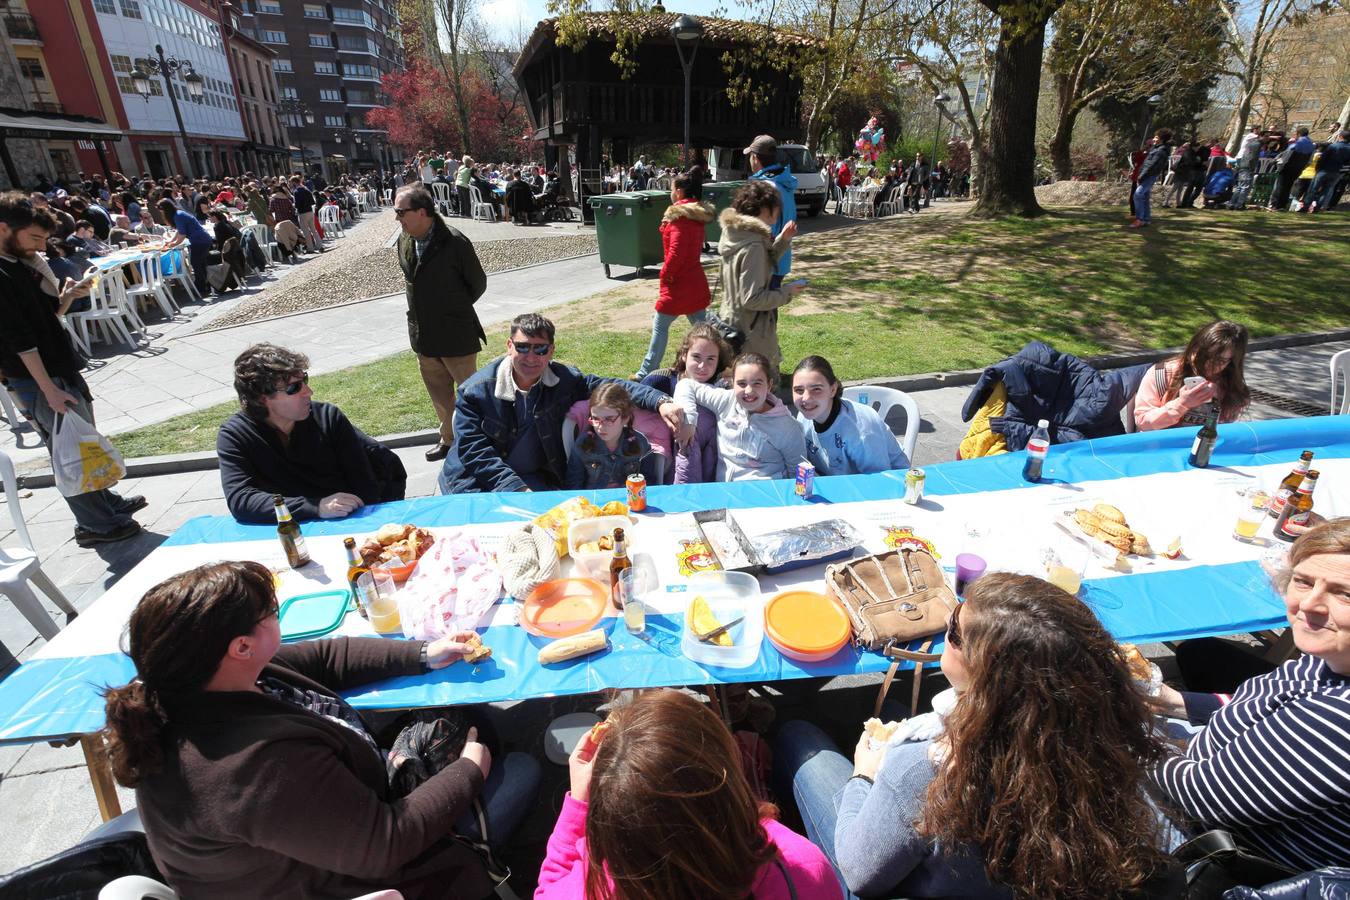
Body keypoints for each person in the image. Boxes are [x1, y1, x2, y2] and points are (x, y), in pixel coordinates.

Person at [103, 560, 540, 900]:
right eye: (270, 612)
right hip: (353, 879)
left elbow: (326, 658)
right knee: (519, 768)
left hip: (336, 822)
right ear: (240, 646)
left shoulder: (207, 682)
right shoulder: (253, 767)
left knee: (466, 716)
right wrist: (468, 771)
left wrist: (424, 653)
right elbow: (385, 842)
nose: (277, 617)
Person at [776, 573, 1181, 899]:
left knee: (799, 736)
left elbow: (861, 875)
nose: (947, 628)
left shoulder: (926, 766)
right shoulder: (1106, 736)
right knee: (899, 713)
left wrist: (864, 776)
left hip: (894, 878)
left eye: (953, 631)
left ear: (988, 676)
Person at [1148, 518, 1350, 871]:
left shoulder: (1339, 719)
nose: (1309, 605)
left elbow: (1201, 796)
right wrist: (1175, 702)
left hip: (1218, 848)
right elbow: (1258, 706)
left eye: (1344, 593)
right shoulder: (1332, 659)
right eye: (1303, 582)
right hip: (1204, 770)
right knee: (1200, 652)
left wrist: (1117, 729)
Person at [536, 688, 844, 900]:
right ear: (730, 783)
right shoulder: (801, 869)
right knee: (796, 734)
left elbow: (548, 890)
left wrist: (578, 802)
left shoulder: (592, 887)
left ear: (609, 830)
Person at [0, 193, 147, 546]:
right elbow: (20, 341)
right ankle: (95, 525)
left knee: (81, 441)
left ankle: (104, 503)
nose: (39, 246)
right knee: (67, 450)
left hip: (57, 367)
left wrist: (69, 295)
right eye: (34, 238)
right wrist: (48, 389)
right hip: (38, 379)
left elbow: (47, 317)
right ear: (3, 228)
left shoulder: (18, 263)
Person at [438, 314, 683, 494]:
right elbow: (475, 453)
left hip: (537, 480)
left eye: (540, 349)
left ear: (551, 351)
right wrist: (515, 489)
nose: (531, 357)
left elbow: (610, 386)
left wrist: (660, 401)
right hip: (477, 483)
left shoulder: (563, 380)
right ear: (509, 346)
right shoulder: (474, 392)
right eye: (522, 347)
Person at [217, 344, 406, 523]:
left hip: (345, 522)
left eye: (304, 380)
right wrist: (315, 507)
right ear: (261, 398)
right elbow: (241, 500)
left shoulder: (328, 417)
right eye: (294, 387)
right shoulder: (235, 435)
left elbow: (366, 488)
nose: (308, 391)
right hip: (290, 530)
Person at [394, 185, 489, 463]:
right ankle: (448, 440)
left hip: (456, 334)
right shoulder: (405, 239)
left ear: (422, 212)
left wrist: (452, 309)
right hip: (424, 335)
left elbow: (477, 284)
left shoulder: (455, 242)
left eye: (401, 212)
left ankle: (479, 442)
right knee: (439, 395)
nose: (397, 218)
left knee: (470, 394)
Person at [716, 181, 804, 382]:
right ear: (763, 209)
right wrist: (787, 291)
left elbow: (759, 264)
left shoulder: (736, 235)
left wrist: (782, 240)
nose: (777, 216)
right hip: (752, 335)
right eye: (774, 209)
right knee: (764, 392)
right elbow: (752, 298)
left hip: (733, 325)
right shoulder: (753, 245)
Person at [674, 351, 806, 482]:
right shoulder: (725, 401)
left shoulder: (787, 427)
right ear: (733, 383)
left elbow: (799, 471)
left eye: (757, 383)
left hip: (767, 495)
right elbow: (685, 385)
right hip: (725, 493)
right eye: (742, 384)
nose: (749, 391)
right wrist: (690, 420)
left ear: (769, 385)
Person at [634, 174, 714, 380]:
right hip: (694, 283)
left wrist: (666, 274)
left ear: (678, 191)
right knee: (704, 331)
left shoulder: (680, 218)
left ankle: (645, 371)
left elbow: (676, 252)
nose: (670, 192)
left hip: (678, 285)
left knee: (660, 328)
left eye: (671, 188)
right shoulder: (695, 215)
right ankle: (717, 365)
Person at [642, 325, 732, 485]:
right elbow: (633, 398)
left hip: (714, 470)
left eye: (711, 359)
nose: (702, 366)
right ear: (684, 355)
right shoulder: (662, 379)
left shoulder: (723, 386)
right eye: (696, 357)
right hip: (663, 469)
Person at [791, 356, 908, 475]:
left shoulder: (862, 430)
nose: (806, 398)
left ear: (833, 389)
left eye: (816, 389)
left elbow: (878, 480)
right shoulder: (804, 416)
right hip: (835, 483)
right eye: (799, 390)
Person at [1133, 320, 1249, 431]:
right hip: (1160, 446)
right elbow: (1143, 422)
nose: (1207, 364)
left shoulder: (1232, 388)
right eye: (1203, 355)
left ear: (1231, 363)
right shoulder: (1162, 374)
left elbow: (1225, 430)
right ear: (1193, 348)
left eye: (1219, 361)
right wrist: (1182, 404)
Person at [564, 382, 658, 490]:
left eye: (609, 419)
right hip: (594, 503)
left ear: (625, 418)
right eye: (595, 418)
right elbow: (573, 485)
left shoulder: (640, 443)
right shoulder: (583, 445)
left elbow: (650, 484)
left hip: (630, 502)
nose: (600, 427)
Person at [745, 134, 798, 288]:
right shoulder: (783, 182)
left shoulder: (764, 187)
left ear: (755, 157)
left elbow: (762, 230)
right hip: (782, 259)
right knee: (768, 307)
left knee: (760, 307)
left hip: (765, 261)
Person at [158, 197, 213, 298]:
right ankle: (206, 285)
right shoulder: (179, 214)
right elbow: (179, 231)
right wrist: (171, 241)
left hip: (199, 241)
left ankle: (201, 287)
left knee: (196, 264)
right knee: (200, 263)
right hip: (202, 240)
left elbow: (182, 235)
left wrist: (172, 245)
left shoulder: (177, 216)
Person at [1132, 129, 1173, 228]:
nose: (1154, 139)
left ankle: (1140, 219)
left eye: (1156, 137)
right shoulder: (1156, 148)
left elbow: (1151, 165)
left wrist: (1141, 176)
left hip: (1150, 175)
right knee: (1144, 196)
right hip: (1147, 174)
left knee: (1138, 194)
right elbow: (1146, 163)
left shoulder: (1160, 151)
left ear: (1162, 139)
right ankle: (1146, 219)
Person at [1268, 126, 1315, 211]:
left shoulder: (1296, 144)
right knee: (1289, 187)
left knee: (1280, 186)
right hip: (1298, 169)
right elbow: (1309, 161)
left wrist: (1278, 165)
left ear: (1298, 133)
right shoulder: (1311, 145)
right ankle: (1283, 205)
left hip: (1287, 168)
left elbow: (1285, 157)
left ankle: (1275, 205)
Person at [1307, 129, 1350, 213]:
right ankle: (1317, 208)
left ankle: (1306, 206)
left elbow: (1323, 158)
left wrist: (1318, 168)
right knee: (1326, 190)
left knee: (1313, 189)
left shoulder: (1333, 146)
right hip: (1337, 172)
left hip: (1324, 170)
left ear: (1340, 136)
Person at [291, 175, 322, 252]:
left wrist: (294, 205)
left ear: (294, 183)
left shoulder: (296, 192)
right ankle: (319, 245)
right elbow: (312, 201)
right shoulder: (306, 189)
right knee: (314, 230)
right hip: (310, 211)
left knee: (306, 231)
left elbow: (297, 205)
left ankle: (310, 248)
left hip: (302, 213)